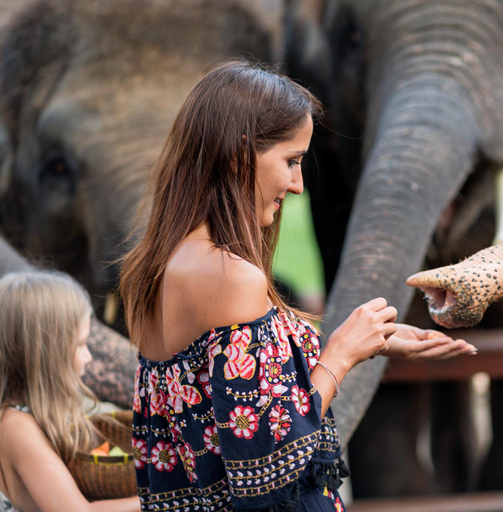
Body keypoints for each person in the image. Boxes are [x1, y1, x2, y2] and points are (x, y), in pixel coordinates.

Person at [119, 60, 475, 512]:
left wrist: (366, 340)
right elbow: (266, 467)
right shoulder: (231, 276)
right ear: (239, 153)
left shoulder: (153, 271)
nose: (298, 185)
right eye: (291, 161)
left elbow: (231, 399)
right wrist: (339, 356)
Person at [0, 271, 141, 512]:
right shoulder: (16, 426)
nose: (88, 357)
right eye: (79, 344)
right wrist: (163, 499)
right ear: (47, 356)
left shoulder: (30, 416)